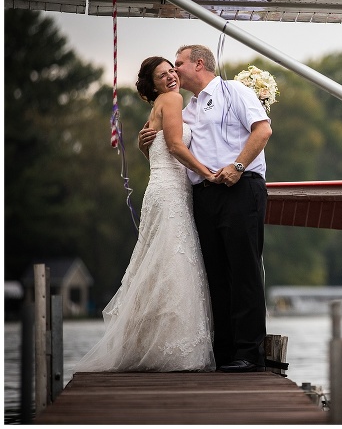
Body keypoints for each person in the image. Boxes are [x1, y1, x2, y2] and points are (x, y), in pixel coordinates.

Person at [74, 57, 216, 372]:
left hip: (161, 191)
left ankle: (150, 343)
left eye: (171, 71)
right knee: (173, 264)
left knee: (161, 265)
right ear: (152, 85)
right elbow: (177, 147)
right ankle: (170, 349)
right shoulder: (173, 99)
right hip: (169, 194)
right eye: (161, 76)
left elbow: (158, 148)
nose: (170, 77)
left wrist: (141, 147)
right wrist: (208, 173)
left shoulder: (159, 107)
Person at [140, 45, 272, 373]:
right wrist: (149, 145)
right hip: (203, 194)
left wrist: (238, 165)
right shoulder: (184, 109)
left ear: (199, 64)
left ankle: (249, 353)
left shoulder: (235, 90)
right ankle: (224, 352)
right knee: (214, 273)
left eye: (179, 63)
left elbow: (263, 129)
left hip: (240, 187)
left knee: (244, 270)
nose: (175, 70)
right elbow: (174, 149)